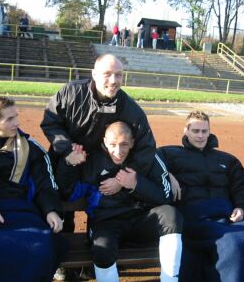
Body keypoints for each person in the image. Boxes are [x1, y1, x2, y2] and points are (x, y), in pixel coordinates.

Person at [41, 53, 157, 280]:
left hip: (106, 168)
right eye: (107, 74)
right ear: (94, 74)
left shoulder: (130, 108)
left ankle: (100, 252)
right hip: (69, 162)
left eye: (119, 75)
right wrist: (67, 151)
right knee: (64, 206)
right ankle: (63, 262)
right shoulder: (70, 93)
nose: (113, 81)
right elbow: (50, 121)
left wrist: (122, 178)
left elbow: (146, 147)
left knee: (103, 207)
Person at [158, 111, 244, 282]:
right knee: (234, 246)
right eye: (195, 131)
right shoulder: (168, 154)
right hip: (194, 217)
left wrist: (241, 207)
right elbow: (148, 164)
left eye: (204, 131)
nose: (200, 136)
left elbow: (242, 187)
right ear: (186, 131)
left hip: (227, 216)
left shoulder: (228, 160)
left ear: (209, 131)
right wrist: (166, 172)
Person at [57, 121, 183, 282]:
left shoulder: (148, 157)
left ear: (132, 142)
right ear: (104, 142)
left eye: (124, 144)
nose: (118, 151)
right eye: (113, 144)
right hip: (106, 223)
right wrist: (68, 164)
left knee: (171, 214)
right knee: (102, 249)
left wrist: (136, 184)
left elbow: (166, 196)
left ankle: (170, 280)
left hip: (140, 221)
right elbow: (69, 194)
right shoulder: (93, 161)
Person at [0, 96, 65, 281]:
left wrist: (51, 210)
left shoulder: (32, 149)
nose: (17, 122)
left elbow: (46, 184)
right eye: (9, 119)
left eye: (16, 116)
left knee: (44, 245)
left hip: (18, 211)